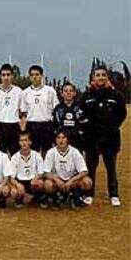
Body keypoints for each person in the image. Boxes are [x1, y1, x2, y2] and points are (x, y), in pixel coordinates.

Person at [80, 65, 127, 206]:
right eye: (97, 75)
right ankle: (89, 194)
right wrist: (88, 128)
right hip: (91, 137)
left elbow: (122, 114)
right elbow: (81, 114)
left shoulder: (116, 95)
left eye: (103, 75)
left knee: (111, 167)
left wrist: (112, 126)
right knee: (91, 167)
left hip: (110, 137)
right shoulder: (86, 95)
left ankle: (114, 194)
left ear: (107, 77)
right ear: (93, 77)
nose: (100, 78)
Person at [43, 129, 92, 210]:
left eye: (63, 138)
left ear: (68, 139)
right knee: (48, 184)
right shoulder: (51, 152)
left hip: (72, 181)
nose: (61, 141)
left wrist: (72, 180)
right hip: (57, 181)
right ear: (55, 140)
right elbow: (46, 172)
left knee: (87, 182)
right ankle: (55, 198)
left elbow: (84, 171)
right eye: (58, 138)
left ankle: (75, 195)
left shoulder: (75, 152)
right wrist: (57, 180)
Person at [21, 65, 59, 154]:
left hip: (46, 125)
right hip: (32, 125)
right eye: (32, 75)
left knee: (47, 152)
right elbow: (23, 111)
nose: (35, 77)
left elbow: (55, 108)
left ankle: (46, 168)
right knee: (33, 153)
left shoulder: (50, 91)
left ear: (41, 76)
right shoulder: (25, 93)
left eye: (37, 74)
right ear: (29, 77)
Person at [0, 64, 23, 155]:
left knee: (16, 154)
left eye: (8, 75)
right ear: (0, 76)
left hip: (14, 125)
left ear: (12, 76)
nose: (6, 77)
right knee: (0, 155)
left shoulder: (18, 91)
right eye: (3, 75)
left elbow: (22, 111)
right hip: (0, 125)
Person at [7, 132, 46, 209]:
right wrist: (17, 185)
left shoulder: (36, 155)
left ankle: (38, 198)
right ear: (19, 143)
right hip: (21, 181)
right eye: (21, 141)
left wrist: (36, 179)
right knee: (14, 192)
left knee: (40, 183)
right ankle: (19, 199)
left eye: (26, 140)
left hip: (32, 181)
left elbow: (41, 172)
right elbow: (11, 177)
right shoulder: (15, 157)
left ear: (30, 142)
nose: (24, 143)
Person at [53, 82, 85, 151]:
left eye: (70, 91)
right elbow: (55, 124)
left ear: (74, 93)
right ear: (62, 94)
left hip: (77, 141)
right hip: (62, 141)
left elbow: (83, 123)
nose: (68, 93)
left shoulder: (80, 107)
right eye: (66, 91)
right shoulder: (58, 108)